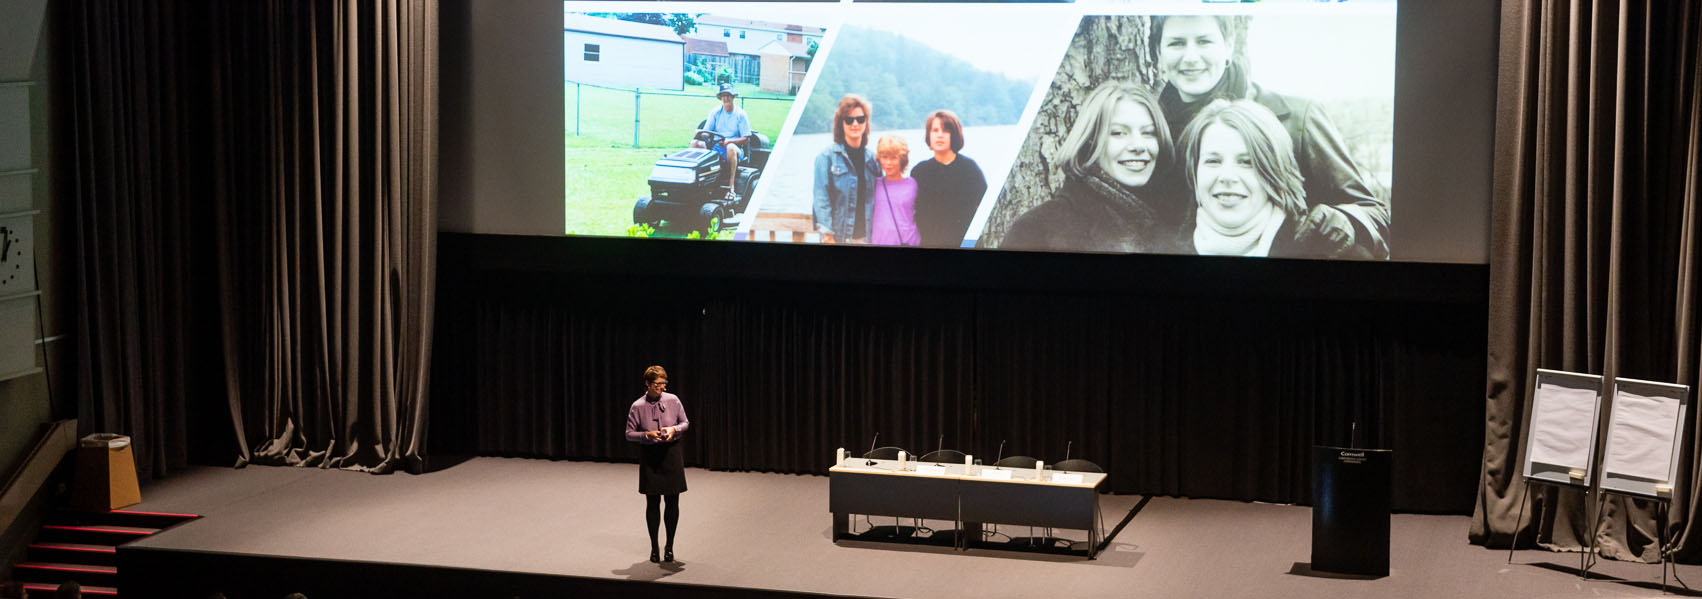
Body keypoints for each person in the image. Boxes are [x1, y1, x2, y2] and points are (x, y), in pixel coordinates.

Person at [1150, 15, 1390, 259]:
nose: (1190, 57)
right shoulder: (1151, 135)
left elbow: (1375, 211)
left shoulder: (1297, 118)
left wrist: (1347, 221)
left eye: (1204, 41)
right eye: (1176, 43)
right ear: (1158, 53)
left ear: (1229, 46)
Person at [1003, 81, 1182, 253]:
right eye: (1118, 133)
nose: (1138, 146)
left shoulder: (1175, 226)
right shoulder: (1038, 228)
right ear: (1089, 142)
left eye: (1149, 133)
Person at [1178, 99, 1360, 258]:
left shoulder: (1326, 250)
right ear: (1195, 172)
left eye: (1246, 162)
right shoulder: (1166, 247)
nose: (1227, 177)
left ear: (1274, 171)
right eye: (1213, 161)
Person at [624, 365, 690, 564]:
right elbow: (629, 434)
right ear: (647, 383)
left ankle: (669, 546)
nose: (661, 388)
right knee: (652, 503)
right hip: (650, 456)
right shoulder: (638, 405)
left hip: (671, 454)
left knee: (672, 502)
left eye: (664, 383)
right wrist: (646, 435)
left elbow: (685, 422)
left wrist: (673, 430)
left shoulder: (673, 400)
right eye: (657, 384)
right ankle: (654, 546)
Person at [910, 110, 987, 248]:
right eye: (935, 130)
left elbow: (984, 209)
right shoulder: (919, 171)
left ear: (954, 135)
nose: (940, 135)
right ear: (929, 135)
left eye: (945, 131)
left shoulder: (969, 169)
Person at [813, 94, 882, 244]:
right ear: (841, 123)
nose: (855, 124)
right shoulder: (826, 158)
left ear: (866, 123)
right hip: (838, 239)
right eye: (849, 120)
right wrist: (827, 236)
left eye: (860, 119)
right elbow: (821, 199)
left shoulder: (874, 160)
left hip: (868, 239)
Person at [695, 82, 751, 202]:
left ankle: (731, 188)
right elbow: (706, 132)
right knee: (696, 144)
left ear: (733, 97)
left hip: (735, 149)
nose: (726, 98)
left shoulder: (740, 114)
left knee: (730, 147)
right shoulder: (715, 112)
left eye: (728, 95)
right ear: (720, 98)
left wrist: (729, 140)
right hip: (717, 147)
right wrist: (699, 133)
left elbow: (746, 139)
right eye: (723, 96)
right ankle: (695, 183)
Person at [869, 135, 920, 246]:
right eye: (884, 157)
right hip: (879, 244)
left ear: (902, 159)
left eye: (893, 158)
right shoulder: (873, 184)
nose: (888, 163)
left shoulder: (913, 184)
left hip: (909, 243)